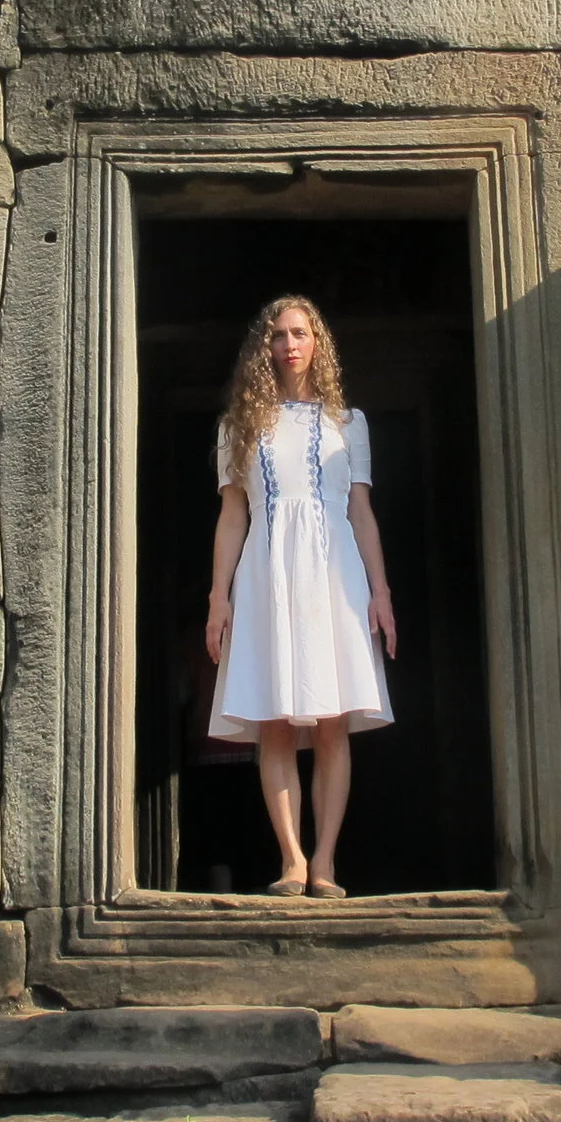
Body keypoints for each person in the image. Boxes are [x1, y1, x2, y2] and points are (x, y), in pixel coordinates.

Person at [203, 296, 397, 900]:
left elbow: (360, 512)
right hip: (266, 573)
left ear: (317, 343)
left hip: (333, 573)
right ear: (264, 346)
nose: (289, 344)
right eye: (278, 335)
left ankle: (326, 862)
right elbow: (233, 516)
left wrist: (381, 591)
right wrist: (218, 596)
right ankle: (290, 858)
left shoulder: (348, 423)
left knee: (334, 722)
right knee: (277, 722)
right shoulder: (240, 425)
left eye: (300, 333)